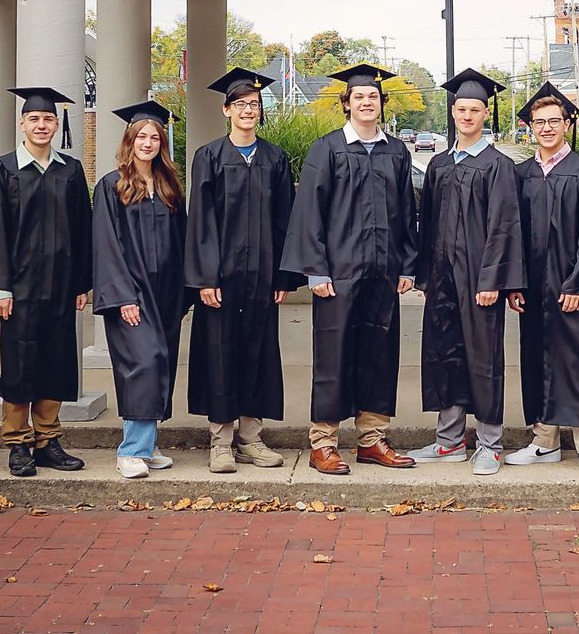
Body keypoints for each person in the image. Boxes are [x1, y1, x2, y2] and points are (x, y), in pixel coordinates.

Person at [282, 64, 420, 475]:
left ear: (382, 103)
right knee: (333, 355)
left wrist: (407, 265)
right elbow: (309, 212)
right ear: (346, 103)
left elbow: (406, 213)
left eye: (372, 97)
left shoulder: (396, 152)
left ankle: (372, 439)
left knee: (379, 353)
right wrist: (316, 270)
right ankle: (323, 443)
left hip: (383, 270)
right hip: (338, 274)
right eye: (358, 97)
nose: (366, 102)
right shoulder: (327, 149)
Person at [0, 87, 92, 477]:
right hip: (18, 289)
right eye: (34, 119)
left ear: (57, 125)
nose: (42, 125)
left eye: (48, 119)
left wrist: (81, 283)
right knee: (20, 364)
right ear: (22, 123)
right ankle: (18, 442)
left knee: (56, 360)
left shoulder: (70, 170)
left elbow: (83, 229)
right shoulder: (3, 168)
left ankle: (48, 440)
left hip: (60, 285)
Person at [410, 69, 525, 475]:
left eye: (475, 110)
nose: (467, 116)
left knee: (483, 358)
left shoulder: (498, 165)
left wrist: (493, 280)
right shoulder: (439, 164)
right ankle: (449, 441)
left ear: (485, 113)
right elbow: (427, 223)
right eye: (461, 109)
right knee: (445, 354)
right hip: (442, 278)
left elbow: (504, 226)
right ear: (453, 111)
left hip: (480, 281)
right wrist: (425, 276)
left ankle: (490, 444)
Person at [186, 68, 300, 473]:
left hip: (263, 277)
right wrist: (205, 277)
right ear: (226, 110)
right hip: (221, 278)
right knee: (219, 354)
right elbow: (200, 221)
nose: (248, 110)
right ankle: (220, 441)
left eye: (254, 105)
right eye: (240, 104)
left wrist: (283, 277)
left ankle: (251, 439)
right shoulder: (209, 157)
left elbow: (286, 221)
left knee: (258, 352)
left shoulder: (275, 158)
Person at [505, 83, 579, 479]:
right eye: (539, 122)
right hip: (532, 287)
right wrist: (515, 283)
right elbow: (511, 233)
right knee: (535, 358)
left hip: (570, 286)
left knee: (575, 360)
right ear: (530, 126)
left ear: (567, 123)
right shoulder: (521, 174)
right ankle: (544, 441)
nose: (547, 128)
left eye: (554, 120)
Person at [93, 101, 188, 479]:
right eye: (141, 137)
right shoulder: (111, 185)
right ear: (129, 141)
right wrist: (122, 296)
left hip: (166, 292)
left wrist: (185, 292)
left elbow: (182, 240)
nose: (147, 143)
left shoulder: (168, 186)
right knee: (143, 364)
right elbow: (105, 243)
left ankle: (148, 446)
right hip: (131, 292)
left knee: (161, 363)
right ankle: (131, 450)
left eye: (154, 138)